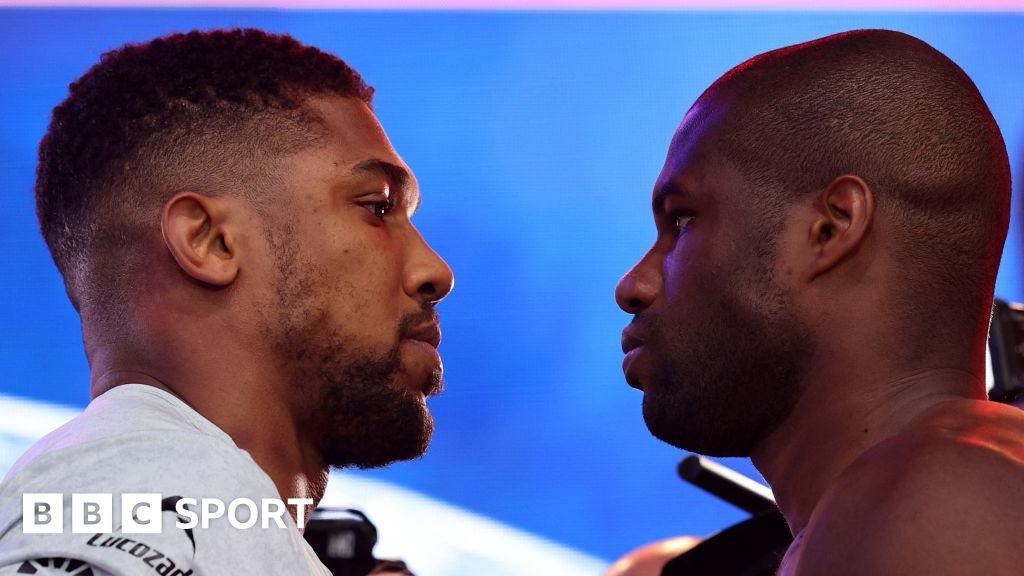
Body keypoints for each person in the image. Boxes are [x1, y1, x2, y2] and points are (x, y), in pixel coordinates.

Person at [0, 28, 453, 575]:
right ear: (211, 242)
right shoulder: (147, 483)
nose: (436, 270)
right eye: (377, 207)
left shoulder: (203, 513)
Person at [615, 29, 1024, 575]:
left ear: (830, 229)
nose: (633, 286)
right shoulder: (897, 508)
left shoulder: (941, 501)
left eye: (684, 221)